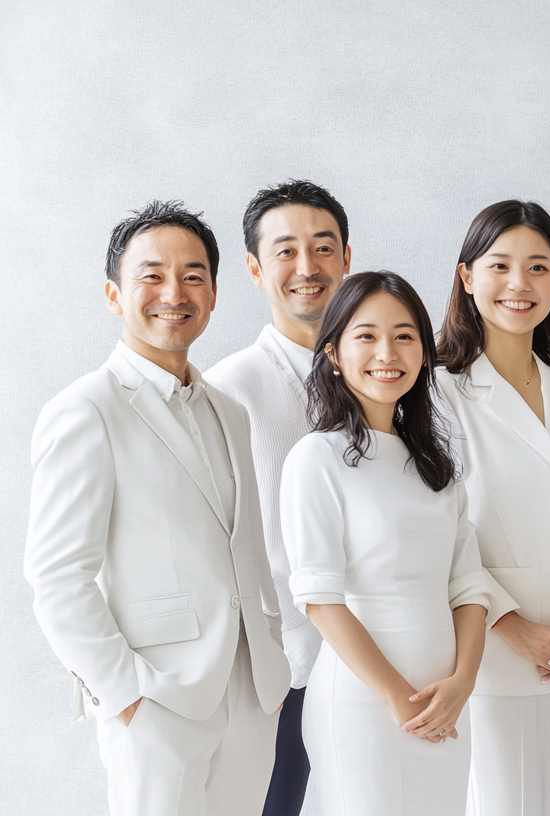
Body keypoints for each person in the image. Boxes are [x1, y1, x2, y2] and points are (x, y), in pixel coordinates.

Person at [24, 200, 292, 815]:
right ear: (115, 294)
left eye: (193, 275)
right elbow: (57, 577)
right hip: (157, 702)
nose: (174, 291)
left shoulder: (230, 411)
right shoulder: (85, 410)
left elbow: (245, 552)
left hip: (253, 695)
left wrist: (269, 651)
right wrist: (124, 696)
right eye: (151, 275)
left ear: (215, 293)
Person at [280, 271, 500, 815]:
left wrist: (461, 685)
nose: (388, 352)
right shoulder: (317, 458)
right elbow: (319, 598)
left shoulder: (436, 467)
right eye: (367, 336)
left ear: (425, 353)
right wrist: (399, 697)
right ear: (333, 352)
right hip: (363, 701)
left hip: (446, 700)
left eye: (405, 336)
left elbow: (469, 587)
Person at [436, 201, 550, 816]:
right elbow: (438, 536)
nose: (520, 284)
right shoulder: (434, 392)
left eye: (539, 267)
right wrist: (513, 629)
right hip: (491, 660)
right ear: (466, 277)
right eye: (500, 265)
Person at [207, 179, 352, 816]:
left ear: (347, 259)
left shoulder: (387, 376)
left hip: (381, 657)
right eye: (286, 250)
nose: (307, 268)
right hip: (281, 672)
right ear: (253, 267)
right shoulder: (227, 390)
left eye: (323, 248)